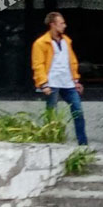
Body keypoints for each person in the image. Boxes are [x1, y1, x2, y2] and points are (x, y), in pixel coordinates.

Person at [31, 11, 87, 145]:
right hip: (52, 82)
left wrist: (76, 80)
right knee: (52, 115)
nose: (64, 26)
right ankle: (52, 142)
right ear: (53, 25)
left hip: (68, 82)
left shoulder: (67, 41)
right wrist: (43, 84)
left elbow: (72, 61)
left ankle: (83, 144)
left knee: (78, 112)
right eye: (61, 23)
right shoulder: (40, 43)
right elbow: (38, 64)